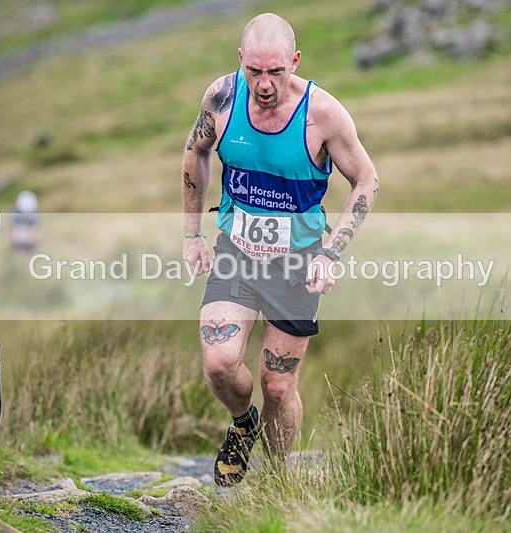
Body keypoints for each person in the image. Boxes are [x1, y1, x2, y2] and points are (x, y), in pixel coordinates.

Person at [181, 13, 378, 486]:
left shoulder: (323, 114)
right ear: (240, 62)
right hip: (237, 250)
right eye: (254, 72)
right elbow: (196, 152)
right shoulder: (222, 98)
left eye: (276, 71)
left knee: (277, 384)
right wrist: (192, 233)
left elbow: (366, 181)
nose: (264, 84)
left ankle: (275, 482)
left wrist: (331, 253)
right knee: (219, 362)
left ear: (295, 61)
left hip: (298, 263)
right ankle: (243, 425)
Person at [9, 190, 42, 255]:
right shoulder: (15, 214)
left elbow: (38, 231)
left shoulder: (35, 216)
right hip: (17, 241)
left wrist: (33, 241)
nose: (25, 214)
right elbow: (10, 229)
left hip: (29, 241)